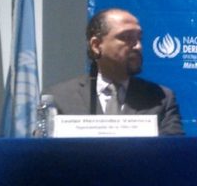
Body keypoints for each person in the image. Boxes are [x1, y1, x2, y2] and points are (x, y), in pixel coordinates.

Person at [45, 8, 184, 135]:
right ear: (96, 45)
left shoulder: (161, 98)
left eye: (139, 38)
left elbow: (174, 151)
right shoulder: (58, 98)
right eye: (127, 37)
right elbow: (45, 150)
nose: (138, 46)